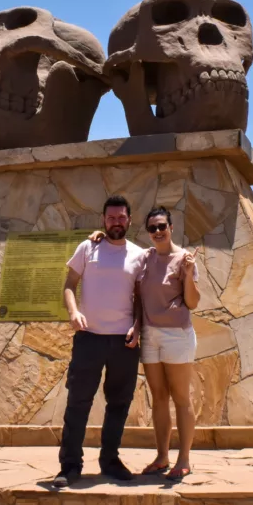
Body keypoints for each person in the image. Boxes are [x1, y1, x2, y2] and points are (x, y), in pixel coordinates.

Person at [88, 206, 200, 481]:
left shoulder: (184, 259)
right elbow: (120, 251)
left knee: (181, 398)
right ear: (147, 232)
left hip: (177, 336)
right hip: (150, 336)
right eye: (152, 228)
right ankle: (162, 456)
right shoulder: (144, 258)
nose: (158, 232)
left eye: (162, 226)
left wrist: (187, 274)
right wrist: (101, 235)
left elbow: (194, 302)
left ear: (171, 227)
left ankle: (183, 459)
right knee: (159, 399)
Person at [53, 195, 146, 489]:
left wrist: (138, 327)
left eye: (121, 217)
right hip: (88, 339)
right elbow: (69, 285)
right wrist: (73, 312)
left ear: (129, 220)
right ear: (103, 220)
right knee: (77, 403)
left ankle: (110, 459)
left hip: (124, 342)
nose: (116, 222)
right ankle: (69, 466)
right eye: (110, 218)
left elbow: (142, 298)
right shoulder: (88, 247)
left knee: (119, 404)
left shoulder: (140, 255)